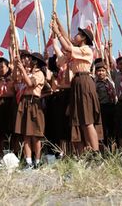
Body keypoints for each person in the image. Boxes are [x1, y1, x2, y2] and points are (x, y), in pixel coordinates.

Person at [51, 12, 101, 153]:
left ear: (84, 37)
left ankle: (96, 152)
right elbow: (68, 41)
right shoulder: (77, 50)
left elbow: (67, 46)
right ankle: (89, 150)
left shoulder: (86, 50)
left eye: (79, 34)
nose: (75, 35)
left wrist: (57, 32)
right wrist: (58, 21)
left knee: (87, 120)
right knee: (81, 121)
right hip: (77, 83)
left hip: (84, 81)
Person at [14, 51, 46, 168]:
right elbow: (16, 79)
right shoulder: (27, 72)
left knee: (36, 135)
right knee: (25, 134)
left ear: (36, 62)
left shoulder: (39, 74)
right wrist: (17, 66)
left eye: (31, 59)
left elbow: (29, 84)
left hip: (34, 103)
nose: (28, 60)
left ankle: (37, 161)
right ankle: (28, 161)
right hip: (24, 102)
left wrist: (22, 69)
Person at [0, 56, 17, 152]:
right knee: (1, 132)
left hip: (12, 104)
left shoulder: (13, 77)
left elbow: (15, 65)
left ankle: (15, 152)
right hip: (0, 104)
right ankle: (3, 153)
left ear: (8, 67)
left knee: (13, 130)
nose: (1, 69)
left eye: (3, 66)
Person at [94, 59, 117, 149]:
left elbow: (109, 63)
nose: (101, 73)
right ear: (96, 72)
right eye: (99, 71)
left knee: (113, 129)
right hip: (103, 107)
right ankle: (106, 148)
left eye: (103, 71)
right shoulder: (95, 84)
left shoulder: (110, 80)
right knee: (105, 130)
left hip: (113, 106)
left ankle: (114, 148)